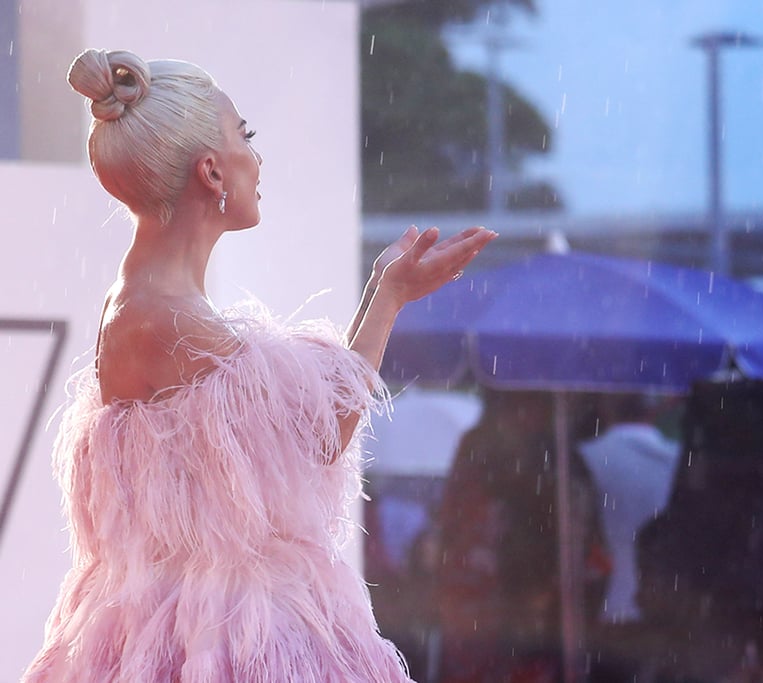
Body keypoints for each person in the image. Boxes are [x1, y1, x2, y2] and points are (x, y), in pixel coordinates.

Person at [21, 49, 496, 682]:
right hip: (226, 640)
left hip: (183, 630)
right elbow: (318, 438)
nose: (258, 156)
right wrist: (388, 297)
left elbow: (305, 425)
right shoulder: (167, 316)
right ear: (212, 172)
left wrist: (386, 288)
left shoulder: (148, 301)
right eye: (245, 135)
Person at [435, 389, 608, 683]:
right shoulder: (480, 450)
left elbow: (591, 557)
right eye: (517, 406)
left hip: (534, 623)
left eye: (532, 406)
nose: (523, 416)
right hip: (485, 618)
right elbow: (451, 529)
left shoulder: (561, 459)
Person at [576, 393, 679, 682]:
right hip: (660, 613)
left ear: (604, 405)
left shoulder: (586, 458)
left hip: (605, 614)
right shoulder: (679, 461)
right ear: (658, 408)